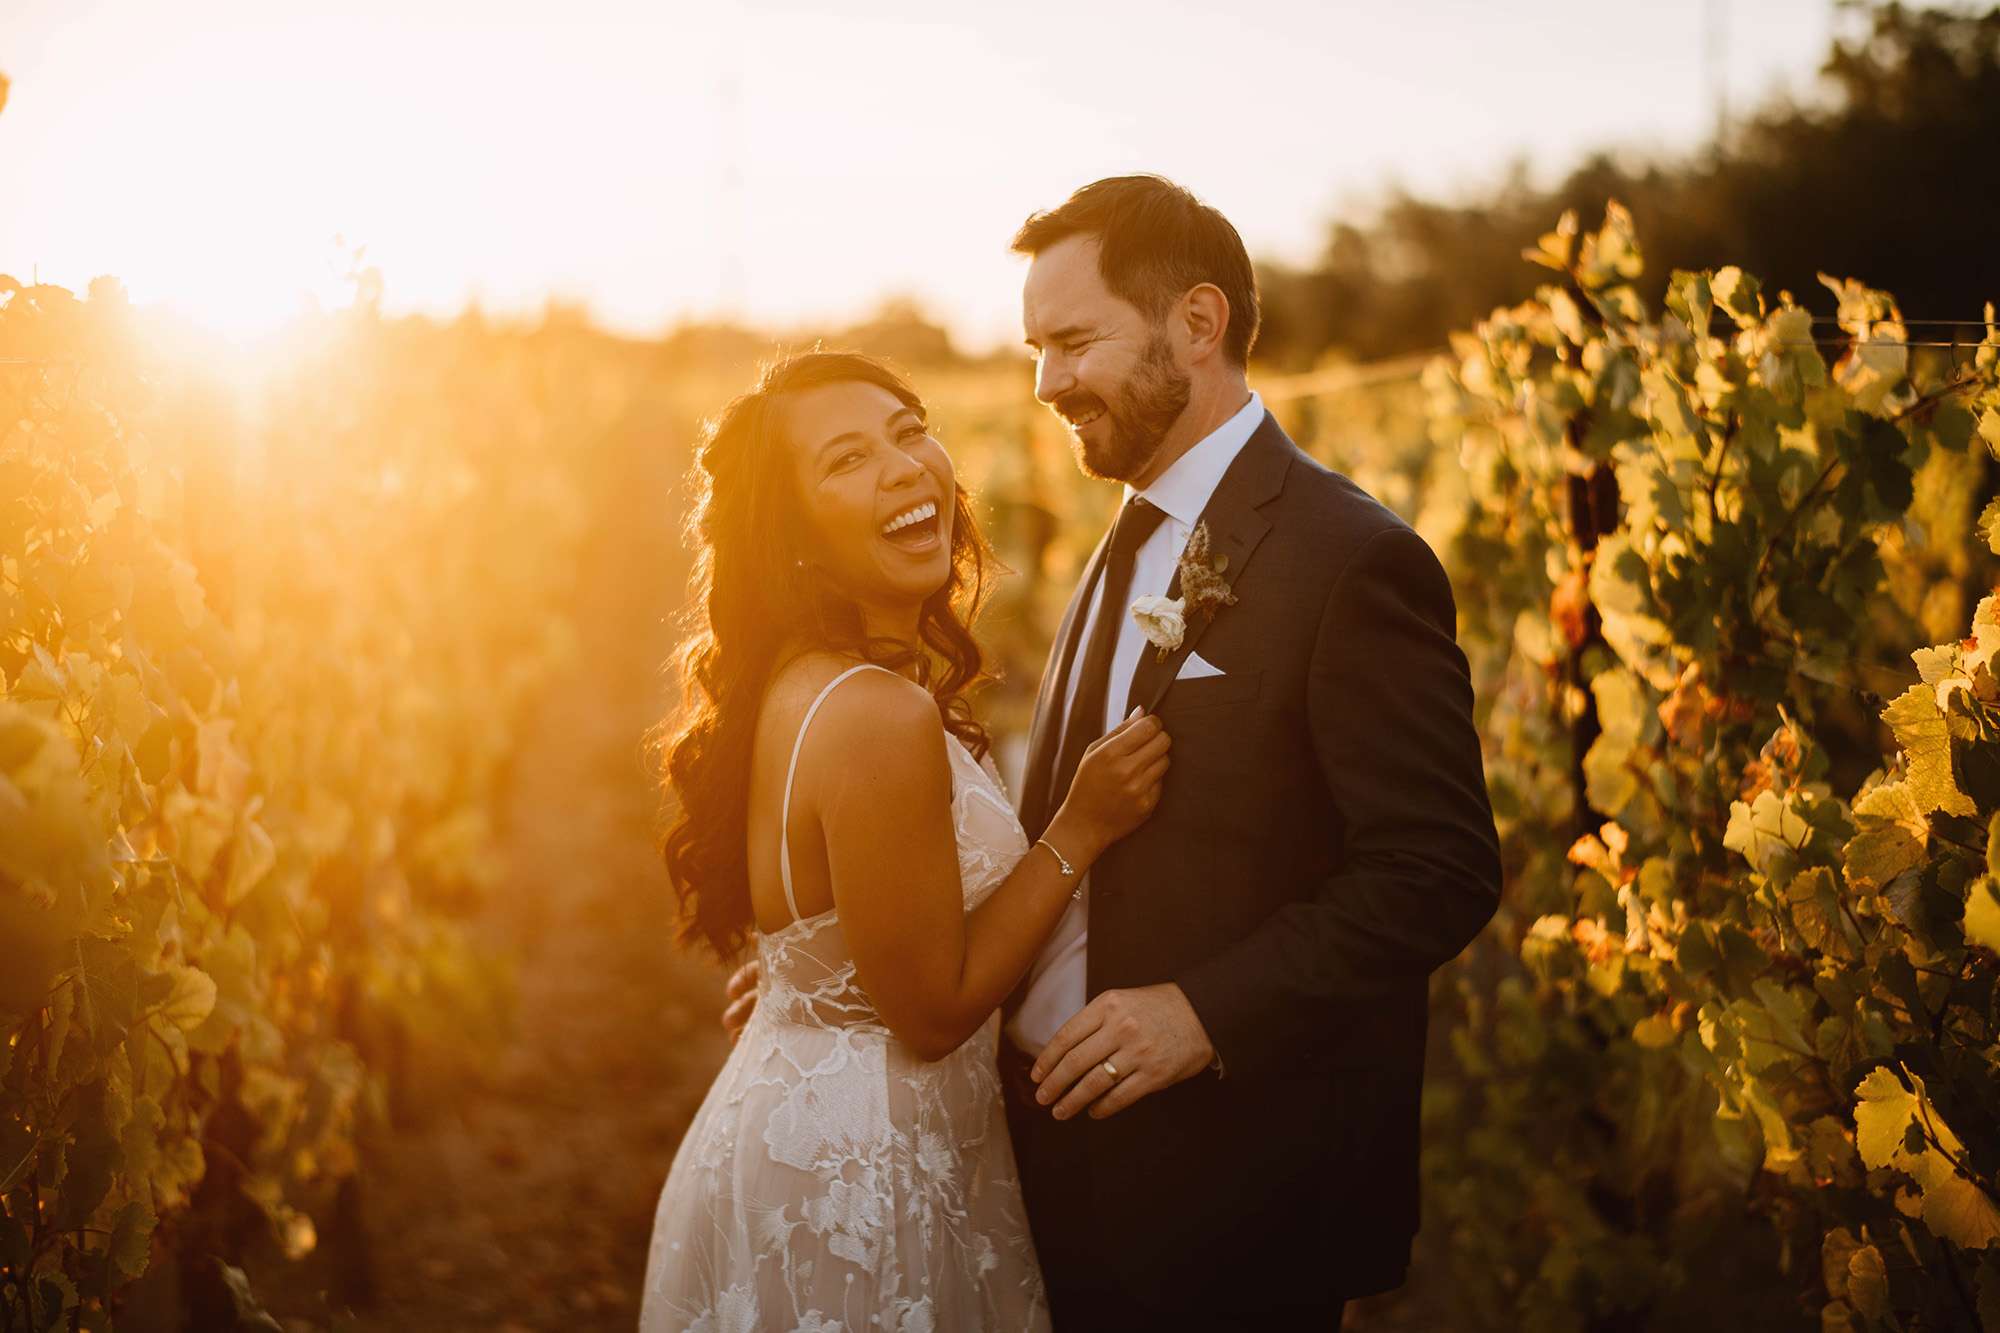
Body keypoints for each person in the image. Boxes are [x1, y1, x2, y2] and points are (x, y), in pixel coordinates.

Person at [725, 176, 1503, 1330]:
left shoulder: (1349, 562)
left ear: (1196, 324)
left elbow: (1436, 870)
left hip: (1220, 1188)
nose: (1045, 385)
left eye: (1074, 341)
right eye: (1037, 348)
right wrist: (845, 980)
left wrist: (1202, 1013)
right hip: (1042, 1152)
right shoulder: (1126, 531)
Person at [639, 351, 1171, 1332]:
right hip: (866, 1177)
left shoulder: (803, 679)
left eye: (906, 427)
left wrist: (806, 992)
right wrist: (1078, 828)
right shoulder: (874, 711)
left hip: (819, 1128)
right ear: (791, 534)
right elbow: (931, 1013)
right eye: (845, 459)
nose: (901, 466)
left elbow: (841, 932)